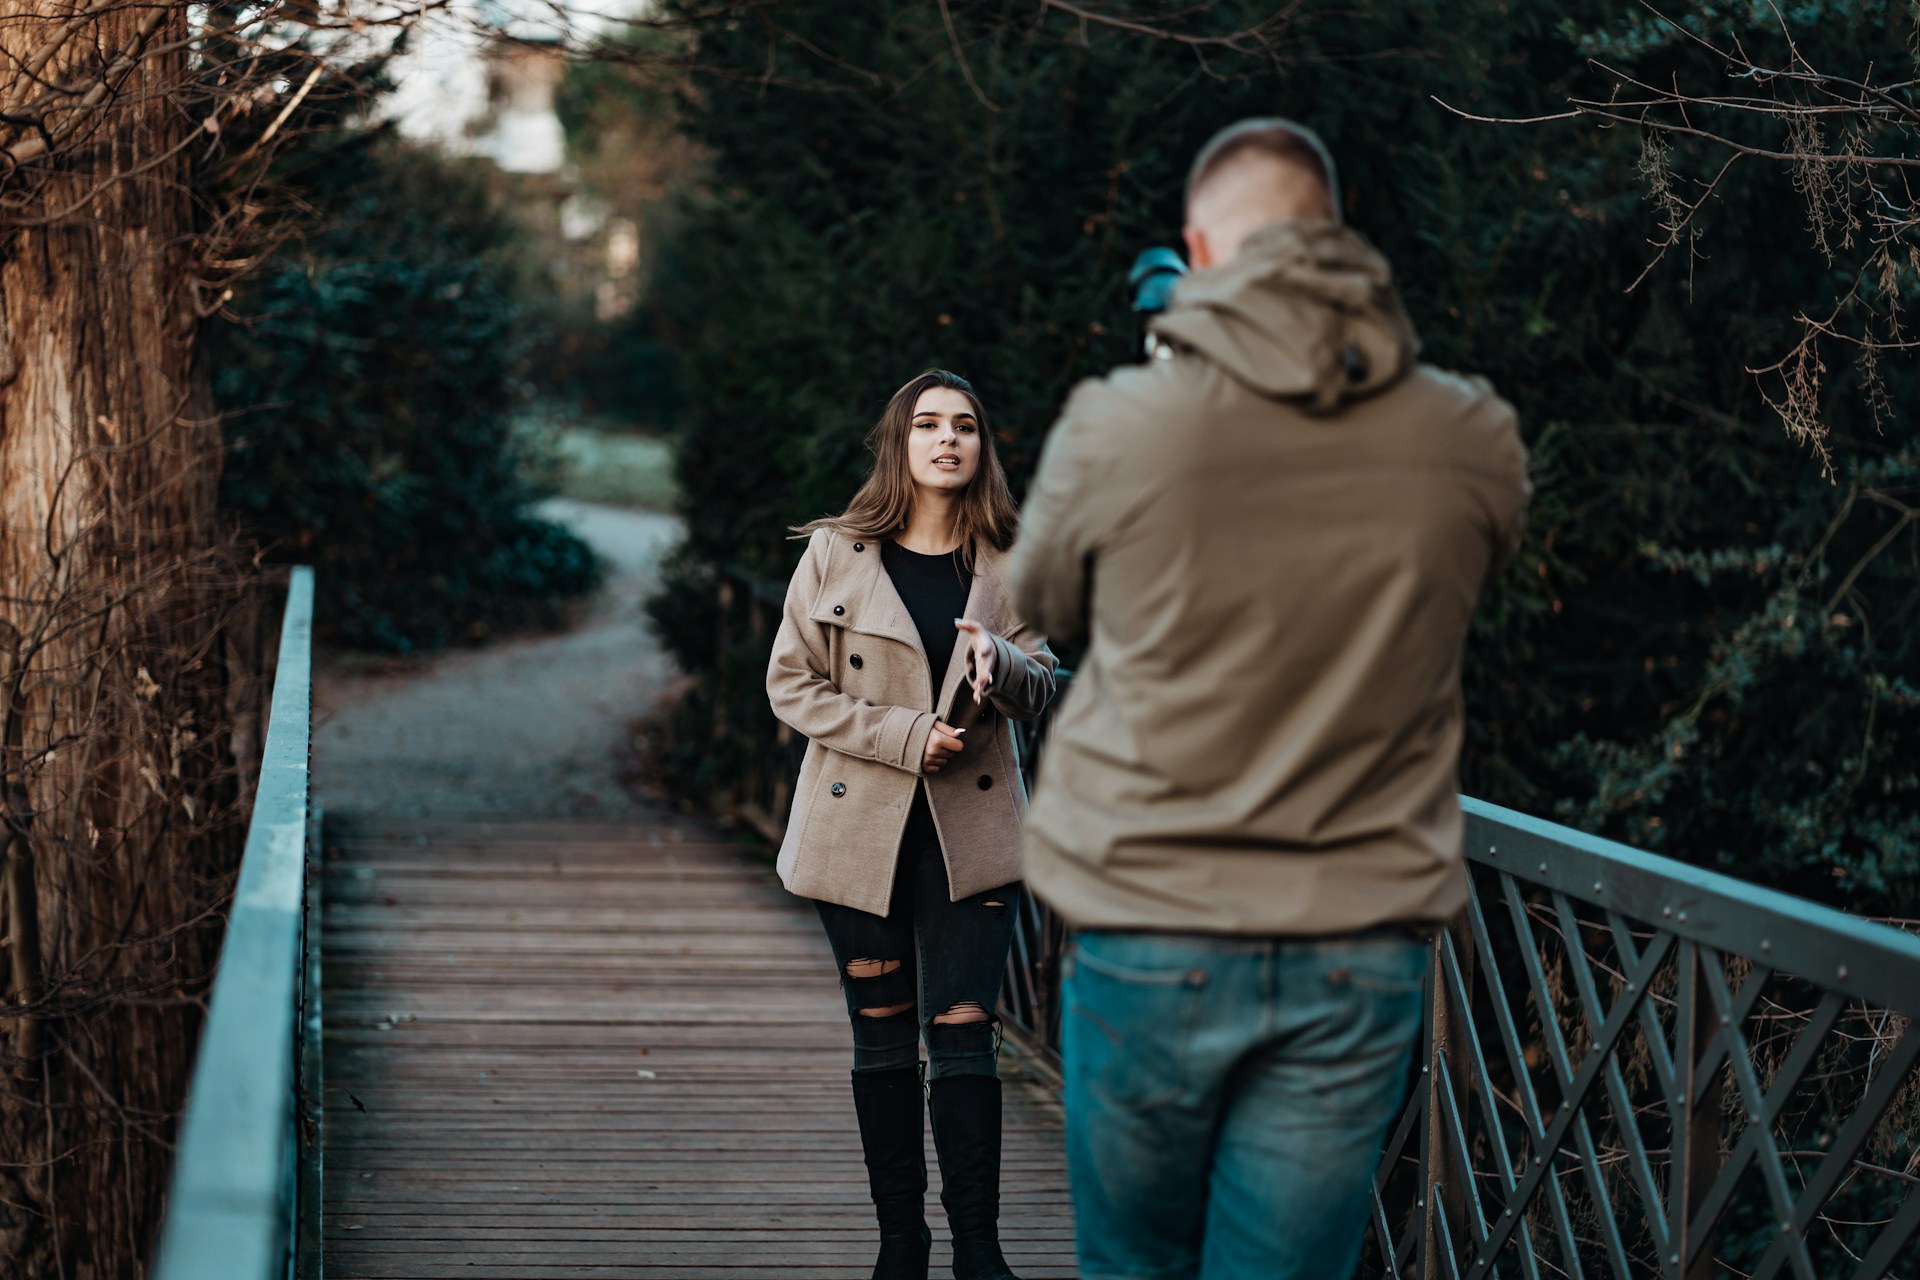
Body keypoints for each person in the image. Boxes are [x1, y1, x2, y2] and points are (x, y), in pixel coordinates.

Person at [1007, 119, 1531, 1280]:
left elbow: (1046, 594)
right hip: (1358, 942)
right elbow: (1458, 570)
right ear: (1338, 242)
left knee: (1137, 1264)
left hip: (1149, 921)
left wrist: (1174, 386)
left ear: (1198, 251)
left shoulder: (1120, 423)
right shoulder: (1472, 435)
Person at [767, 369, 1058, 1280]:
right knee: (884, 1030)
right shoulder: (834, 553)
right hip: (861, 833)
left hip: (970, 836)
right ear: (899, 444)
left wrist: (999, 663)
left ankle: (980, 1248)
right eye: (927, 424)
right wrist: (901, 736)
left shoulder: (1016, 562)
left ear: (982, 447)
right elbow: (791, 684)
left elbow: (1049, 686)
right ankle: (902, 1244)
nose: (946, 439)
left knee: (966, 1028)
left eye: (964, 426)